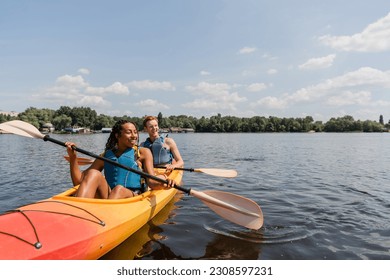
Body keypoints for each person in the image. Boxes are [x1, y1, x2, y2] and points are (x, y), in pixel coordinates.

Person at [65, 119, 174, 199]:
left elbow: (151, 182)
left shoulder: (143, 153)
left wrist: (163, 183)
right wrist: (73, 157)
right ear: (117, 135)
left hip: (132, 196)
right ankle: (79, 212)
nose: (134, 136)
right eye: (129, 132)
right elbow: (78, 182)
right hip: (110, 196)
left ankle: (106, 217)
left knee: (118, 190)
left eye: (135, 132)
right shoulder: (106, 156)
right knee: (93, 173)